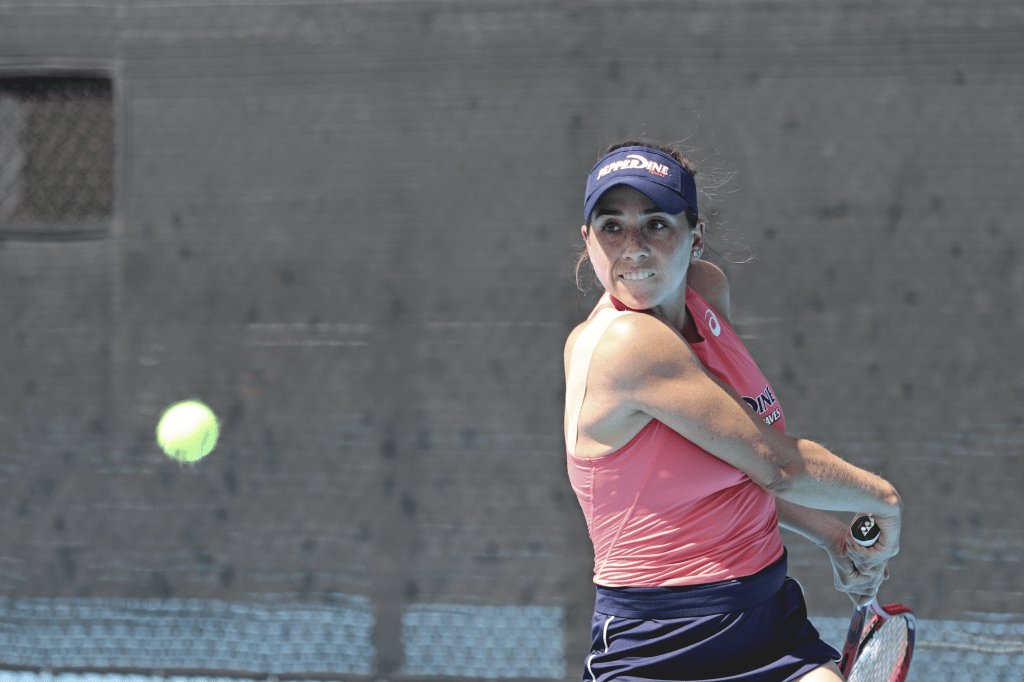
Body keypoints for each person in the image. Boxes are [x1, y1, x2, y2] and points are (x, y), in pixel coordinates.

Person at [564, 141, 902, 682]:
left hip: (769, 624)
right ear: (587, 240)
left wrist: (831, 534)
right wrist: (885, 502)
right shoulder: (625, 344)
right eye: (611, 226)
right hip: (662, 646)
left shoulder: (705, 291)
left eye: (656, 224)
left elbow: (739, 465)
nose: (633, 248)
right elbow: (776, 465)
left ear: (694, 236)